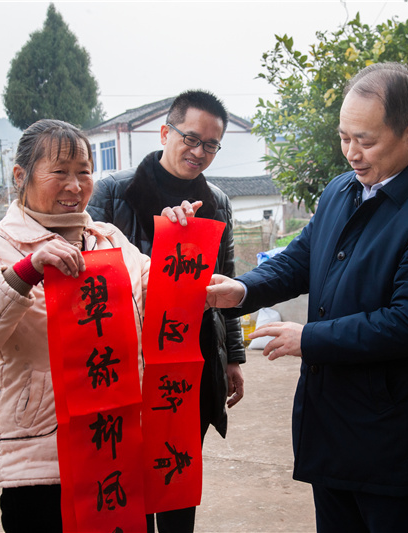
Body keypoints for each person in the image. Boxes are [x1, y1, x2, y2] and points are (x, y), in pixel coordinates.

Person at [205, 63, 408, 532]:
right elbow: (301, 259)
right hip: (328, 421)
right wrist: (243, 289)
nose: (351, 153)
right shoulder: (341, 190)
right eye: (344, 138)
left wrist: (309, 339)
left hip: (388, 431)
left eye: (365, 140)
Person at [0, 119, 195, 532]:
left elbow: (166, 299)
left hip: (118, 455)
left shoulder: (109, 240)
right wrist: (23, 273)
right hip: (43, 469)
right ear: (21, 175)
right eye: (59, 171)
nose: (75, 185)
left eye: (84, 171)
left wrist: (181, 245)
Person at [87, 89, 245, 533]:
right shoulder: (113, 193)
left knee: (177, 480)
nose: (199, 152)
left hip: (192, 366)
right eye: (191, 138)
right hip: (130, 364)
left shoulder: (218, 202)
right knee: (131, 485)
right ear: (165, 133)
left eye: (211, 144)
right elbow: (94, 272)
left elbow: (227, 282)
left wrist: (233, 358)